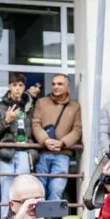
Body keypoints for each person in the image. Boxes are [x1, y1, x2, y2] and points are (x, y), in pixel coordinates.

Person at [0, 73, 35, 219]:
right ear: (9, 86)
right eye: (14, 85)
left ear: (24, 88)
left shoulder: (30, 106)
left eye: (20, 85)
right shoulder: (0, 107)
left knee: (24, 191)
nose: (17, 89)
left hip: (24, 153)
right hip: (6, 153)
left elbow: (36, 128)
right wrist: (7, 120)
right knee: (6, 191)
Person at [32, 74, 82, 202]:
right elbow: (35, 124)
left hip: (62, 154)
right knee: (39, 192)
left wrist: (62, 143)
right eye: (54, 84)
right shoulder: (41, 102)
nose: (56, 87)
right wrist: (45, 140)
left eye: (60, 84)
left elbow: (77, 130)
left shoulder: (75, 106)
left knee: (56, 191)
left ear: (67, 86)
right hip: (43, 153)